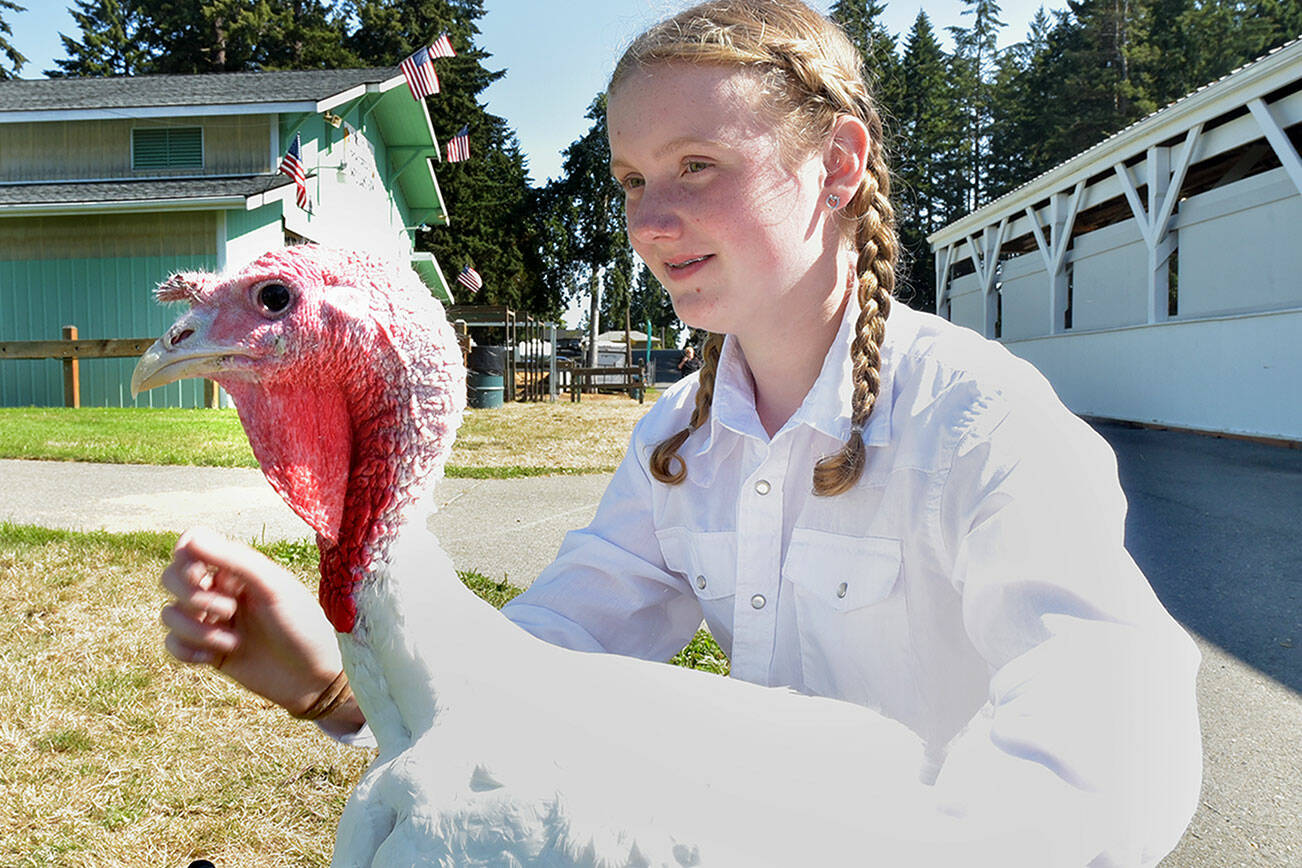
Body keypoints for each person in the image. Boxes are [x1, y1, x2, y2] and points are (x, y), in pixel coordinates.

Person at [159, 1, 1202, 863]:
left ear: (839, 163)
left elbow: (1116, 759)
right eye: (631, 181)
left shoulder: (982, 421)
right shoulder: (679, 441)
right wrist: (336, 685)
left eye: (698, 164)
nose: (652, 222)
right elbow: (529, 678)